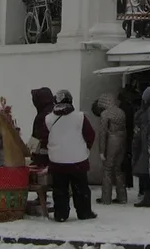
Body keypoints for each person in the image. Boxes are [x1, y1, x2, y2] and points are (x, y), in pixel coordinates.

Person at [47, 89, 97, 222]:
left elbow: (43, 137)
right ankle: (84, 212)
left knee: (60, 189)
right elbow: (90, 135)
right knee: (81, 188)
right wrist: (86, 149)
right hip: (78, 160)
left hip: (57, 160)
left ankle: (61, 214)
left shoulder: (48, 119)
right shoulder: (80, 117)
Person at [95, 93, 128, 205]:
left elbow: (103, 133)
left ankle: (106, 198)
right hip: (122, 140)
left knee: (108, 170)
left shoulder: (105, 114)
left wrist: (101, 151)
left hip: (112, 141)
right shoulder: (121, 112)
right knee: (118, 169)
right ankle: (122, 196)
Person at [30, 87, 55, 168]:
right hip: (63, 158)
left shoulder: (41, 117)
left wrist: (30, 154)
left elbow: (36, 139)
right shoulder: (58, 112)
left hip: (45, 158)